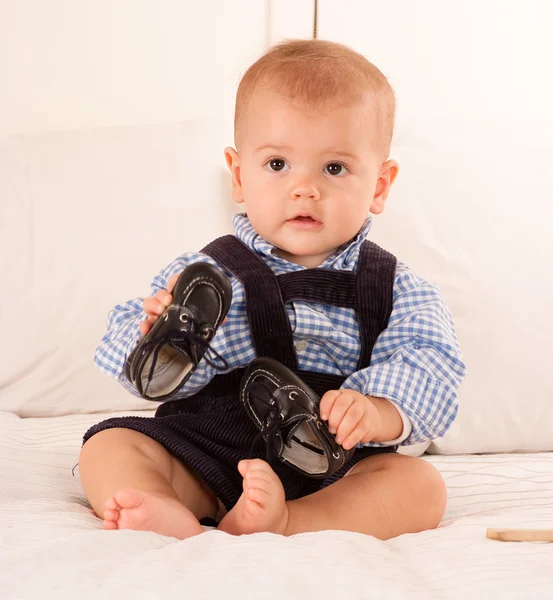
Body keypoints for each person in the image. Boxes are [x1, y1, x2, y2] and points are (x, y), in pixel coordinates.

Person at [79, 39, 466, 541]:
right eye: (278, 165)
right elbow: (124, 361)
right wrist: (154, 330)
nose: (304, 188)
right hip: (211, 449)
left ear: (380, 186)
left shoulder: (401, 290)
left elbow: (433, 371)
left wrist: (376, 410)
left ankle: (288, 521)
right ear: (239, 175)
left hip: (332, 461)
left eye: (334, 168)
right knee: (110, 445)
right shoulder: (208, 274)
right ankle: (168, 503)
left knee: (420, 486)